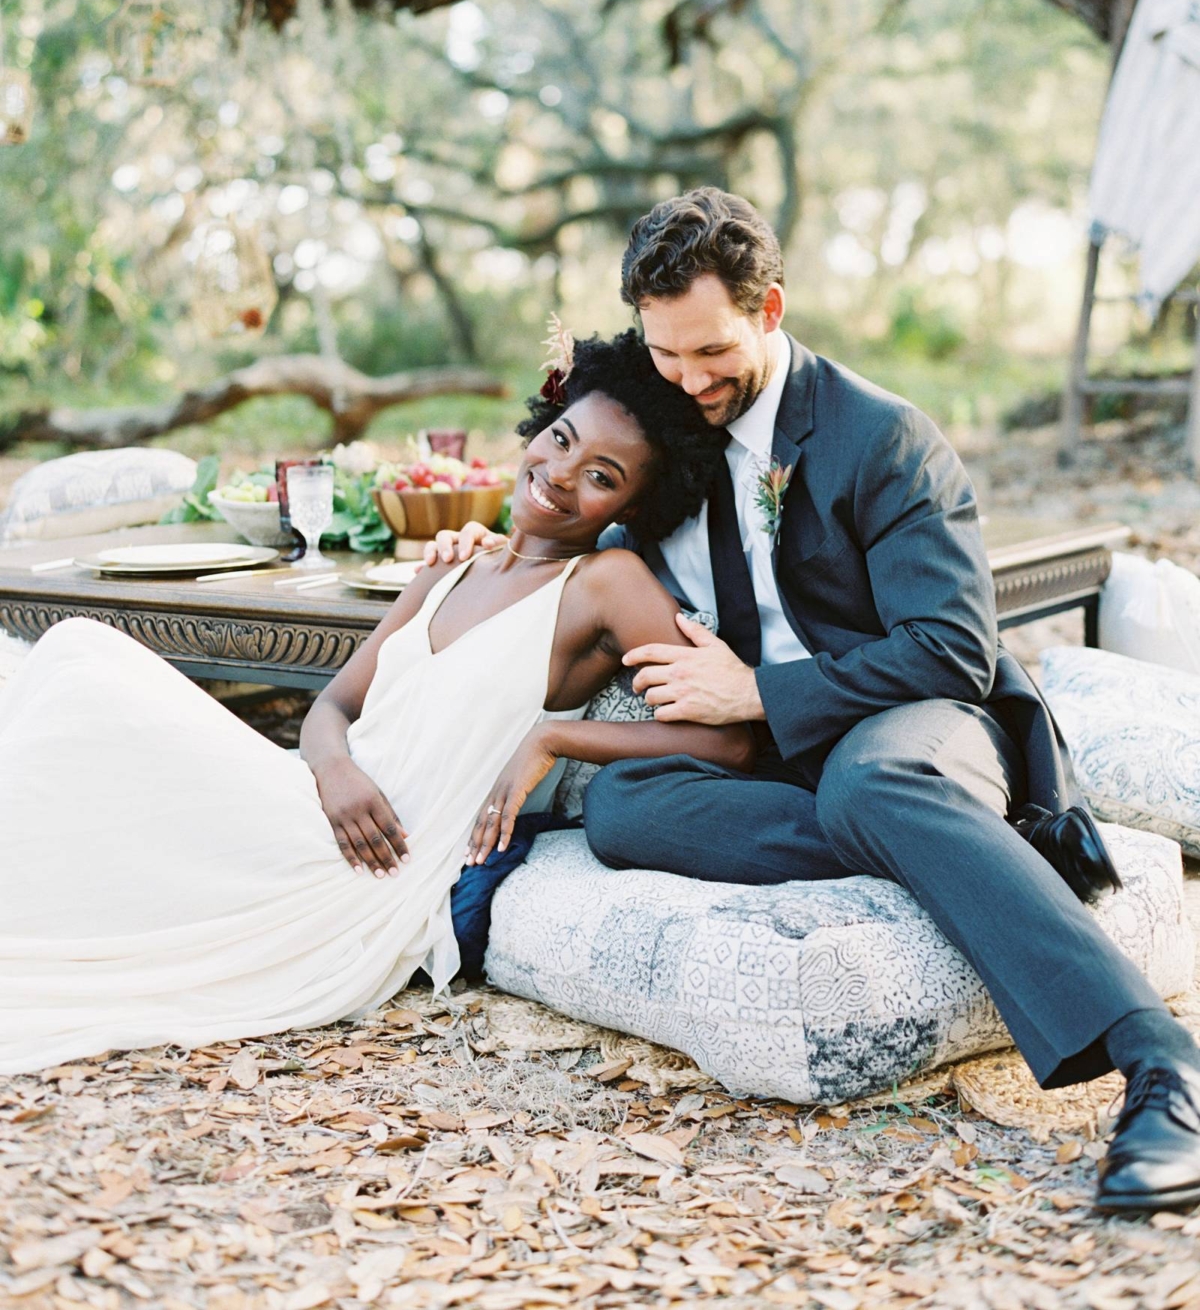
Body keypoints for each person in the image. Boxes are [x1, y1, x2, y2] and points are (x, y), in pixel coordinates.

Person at [430, 187, 1200, 1215]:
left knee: (873, 781)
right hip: (775, 754)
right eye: (666, 354)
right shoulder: (672, 429)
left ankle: (1163, 1067)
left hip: (917, 719)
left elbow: (953, 650)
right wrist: (487, 550)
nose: (690, 380)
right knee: (623, 806)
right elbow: (582, 528)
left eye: (712, 352)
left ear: (772, 310)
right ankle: (959, 848)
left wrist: (758, 690)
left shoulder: (880, 438)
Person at [0, 332, 749, 1076]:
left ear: (634, 504)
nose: (559, 473)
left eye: (602, 475)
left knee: (78, 666)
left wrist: (556, 739)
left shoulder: (605, 582)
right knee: (69, 661)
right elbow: (332, 706)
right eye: (560, 439)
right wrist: (333, 772)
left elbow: (730, 744)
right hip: (315, 798)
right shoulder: (452, 566)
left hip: (376, 866)